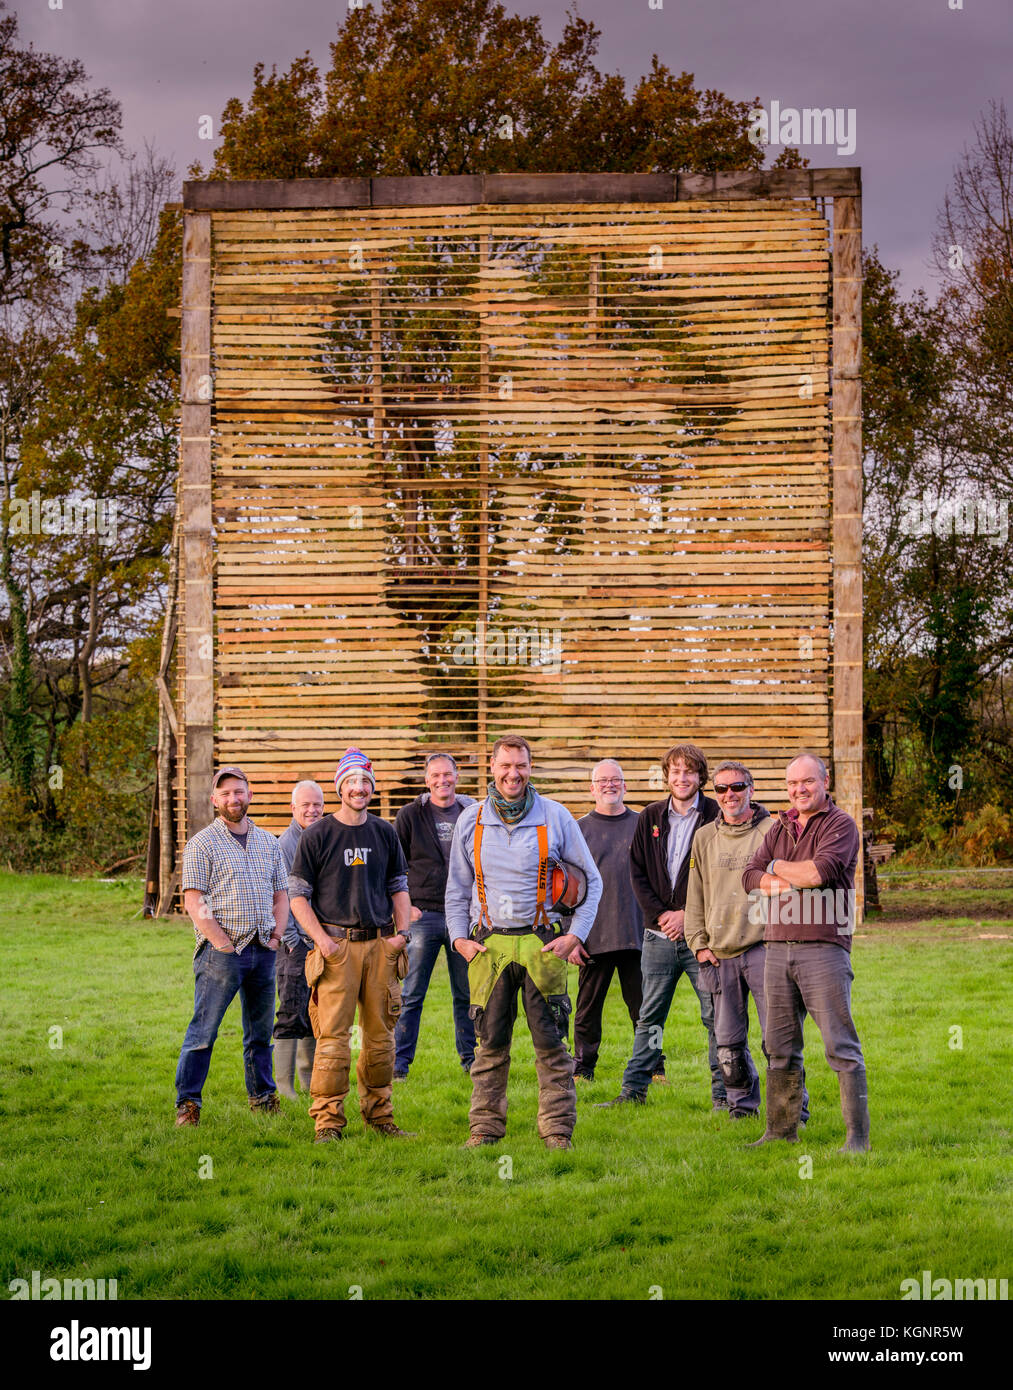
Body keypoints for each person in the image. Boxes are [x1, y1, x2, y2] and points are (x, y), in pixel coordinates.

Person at [445, 734, 603, 1150]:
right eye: (506, 765)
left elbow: (593, 882)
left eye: (522, 766)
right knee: (489, 1046)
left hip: (543, 944)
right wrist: (458, 939)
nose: (513, 774)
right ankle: (484, 1130)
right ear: (492, 769)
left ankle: (557, 1132)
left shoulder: (556, 816)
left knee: (552, 1047)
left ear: (530, 768)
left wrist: (575, 936)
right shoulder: (471, 819)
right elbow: (456, 890)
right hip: (487, 947)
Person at [742, 754, 868, 1151]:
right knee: (779, 1047)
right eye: (792, 783)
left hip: (823, 948)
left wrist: (776, 867)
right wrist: (784, 877)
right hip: (776, 948)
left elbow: (818, 874)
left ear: (824, 781)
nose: (799, 790)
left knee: (840, 1046)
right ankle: (780, 1131)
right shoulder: (779, 827)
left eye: (807, 782)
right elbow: (748, 877)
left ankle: (857, 1139)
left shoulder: (841, 825)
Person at [288, 748, 414, 1142]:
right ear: (340, 786)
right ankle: (327, 1123)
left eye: (365, 782)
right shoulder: (318, 835)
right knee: (333, 1040)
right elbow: (296, 896)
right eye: (352, 782)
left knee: (380, 1039)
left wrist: (402, 936)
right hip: (336, 948)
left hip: (380, 947)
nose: (359, 788)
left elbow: (399, 887)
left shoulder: (384, 832)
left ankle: (380, 1118)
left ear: (371, 789)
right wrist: (322, 942)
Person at [597, 743, 726, 1110]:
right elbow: (636, 871)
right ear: (666, 776)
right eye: (675, 771)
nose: (682, 778)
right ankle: (632, 1092)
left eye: (690, 771)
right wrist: (661, 916)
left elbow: (721, 876)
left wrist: (688, 913)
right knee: (649, 1017)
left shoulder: (716, 816)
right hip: (658, 938)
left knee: (715, 1017)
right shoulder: (650, 817)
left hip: (704, 937)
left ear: (701, 776)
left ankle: (723, 1096)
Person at [684, 760, 807, 1125]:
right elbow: (696, 895)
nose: (729, 795)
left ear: (751, 790)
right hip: (719, 953)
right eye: (721, 789)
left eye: (737, 787)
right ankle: (742, 1106)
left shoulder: (775, 830)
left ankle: (792, 1111)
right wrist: (697, 942)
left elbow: (798, 886)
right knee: (728, 1043)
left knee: (779, 1040)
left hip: (766, 949)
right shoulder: (704, 837)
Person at [174, 766, 289, 1127]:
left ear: (249, 794)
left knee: (259, 1033)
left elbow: (281, 894)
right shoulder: (202, 843)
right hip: (221, 955)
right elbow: (195, 900)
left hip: (262, 950)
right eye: (225, 794)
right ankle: (188, 1105)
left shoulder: (269, 842)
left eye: (238, 792)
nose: (233, 799)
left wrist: (275, 937)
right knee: (203, 1032)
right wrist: (221, 942)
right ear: (214, 800)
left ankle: (263, 1097)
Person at [393, 753, 476, 1081]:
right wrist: (405, 905)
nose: (442, 780)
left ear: (457, 776)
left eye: (448, 774)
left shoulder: (472, 813)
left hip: (462, 917)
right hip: (423, 915)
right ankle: (399, 1064)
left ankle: (470, 1061)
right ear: (426, 781)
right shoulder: (410, 815)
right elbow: (394, 864)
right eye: (435, 775)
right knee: (412, 993)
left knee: (465, 993)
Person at [572, 760, 644, 1083]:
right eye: (602, 780)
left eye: (616, 780)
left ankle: (655, 1066)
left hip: (638, 935)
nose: (609, 785)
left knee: (646, 1011)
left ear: (625, 786)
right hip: (592, 937)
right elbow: (566, 887)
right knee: (587, 1012)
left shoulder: (643, 825)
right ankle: (582, 1069)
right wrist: (571, 936)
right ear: (592, 788)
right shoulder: (578, 830)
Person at [273, 780, 325, 1099]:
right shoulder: (285, 845)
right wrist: (292, 939)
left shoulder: (325, 837)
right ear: (293, 808)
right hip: (295, 944)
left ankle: (308, 1080)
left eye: (317, 804)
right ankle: (284, 1084)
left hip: (322, 941)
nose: (311, 810)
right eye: (305, 805)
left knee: (315, 1010)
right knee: (291, 1010)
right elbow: (281, 894)